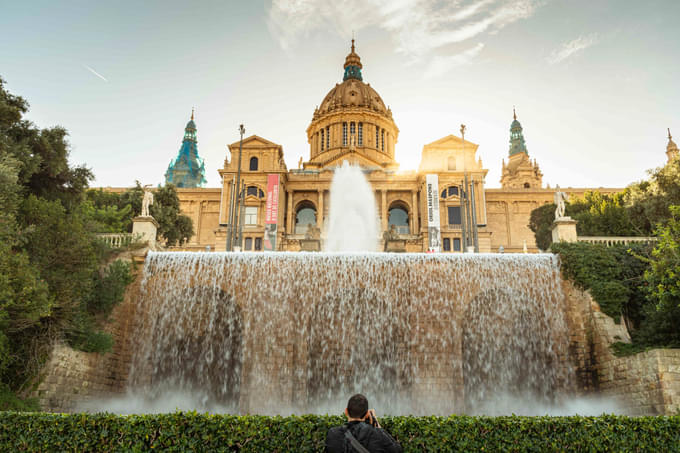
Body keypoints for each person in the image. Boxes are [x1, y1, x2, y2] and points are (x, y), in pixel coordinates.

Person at [325, 394, 402, 453]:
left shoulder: (333, 434)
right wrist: (378, 425)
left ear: (346, 411)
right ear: (367, 414)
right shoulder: (377, 435)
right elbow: (397, 450)